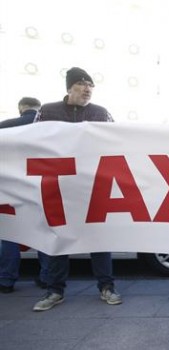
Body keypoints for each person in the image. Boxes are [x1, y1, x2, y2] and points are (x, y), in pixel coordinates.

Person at [31, 67, 122, 311]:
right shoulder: (48, 111)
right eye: (82, 83)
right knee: (59, 238)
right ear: (69, 87)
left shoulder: (100, 113)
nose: (87, 89)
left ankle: (107, 286)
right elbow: (33, 142)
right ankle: (54, 291)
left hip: (93, 185)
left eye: (91, 85)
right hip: (58, 186)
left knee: (98, 237)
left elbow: (116, 142)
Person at [0, 97, 50, 293]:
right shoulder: (49, 129)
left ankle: (6, 280)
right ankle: (47, 277)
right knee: (43, 233)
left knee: (11, 234)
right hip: (39, 188)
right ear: (39, 108)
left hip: (11, 189)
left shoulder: (5, 127)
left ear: (21, 108)